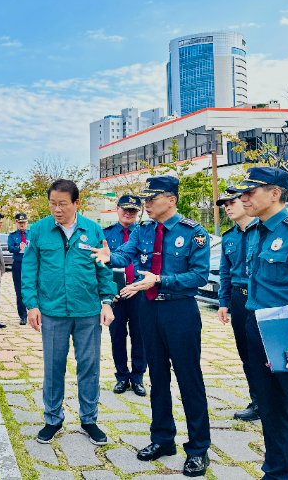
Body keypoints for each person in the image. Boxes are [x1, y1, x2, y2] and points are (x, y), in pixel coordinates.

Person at [92, 175, 211, 477]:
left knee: (189, 379)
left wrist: (160, 280)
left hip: (179, 310)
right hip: (148, 309)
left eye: (152, 198)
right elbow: (125, 254)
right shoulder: (144, 230)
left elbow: (199, 276)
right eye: (144, 198)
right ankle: (162, 439)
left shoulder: (193, 233)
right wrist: (107, 257)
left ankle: (198, 448)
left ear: (171, 200)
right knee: (157, 376)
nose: (145, 204)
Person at [22, 179, 116, 447]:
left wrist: (106, 302)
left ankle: (89, 419)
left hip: (87, 312)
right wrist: (31, 305)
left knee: (89, 366)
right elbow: (29, 270)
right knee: (53, 368)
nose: (57, 209)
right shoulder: (39, 230)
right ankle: (53, 419)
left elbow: (103, 269)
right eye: (53, 203)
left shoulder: (93, 229)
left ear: (76, 203)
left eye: (63, 204)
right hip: (52, 311)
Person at [231, 167, 288, 480]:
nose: (243, 198)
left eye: (251, 192)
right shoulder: (255, 233)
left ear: (275, 193)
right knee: (271, 410)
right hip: (257, 328)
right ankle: (277, 472)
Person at [215, 191, 259, 421]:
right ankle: (258, 401)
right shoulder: (229, 236)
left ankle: (284, 406)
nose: (228, 208)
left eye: (232, 203)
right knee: (246, 352)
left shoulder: (262, 231)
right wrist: (223, 302)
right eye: (225, 205)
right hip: (238, 298)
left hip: (261, 298)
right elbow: (225, 272)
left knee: (269, 352)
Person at [102, 195, 147, 397]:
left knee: (140, 337)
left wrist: (138, 286)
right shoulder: (106, 234)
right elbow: (101, 266)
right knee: (117, 336)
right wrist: (109, 293)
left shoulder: (145, 233)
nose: (128, 213)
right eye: (125, 209)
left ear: (138, 213)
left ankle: (138, 378)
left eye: (133, 210)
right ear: (117, 209)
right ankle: (121, 377)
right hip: (115, 294)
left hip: (139, 292)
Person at [7, 212, 30, 326]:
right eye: (20, 222)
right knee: (19, 291)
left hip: (30, 265)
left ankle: (35, 313)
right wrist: (18, 247)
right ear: (16, 222)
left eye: (24, 222)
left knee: (33, 288)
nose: (22, 224)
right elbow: (10, 248)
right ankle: (23, 316)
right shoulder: (12, 235)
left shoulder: (31, 234)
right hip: (18, 264)